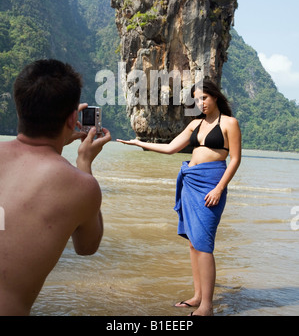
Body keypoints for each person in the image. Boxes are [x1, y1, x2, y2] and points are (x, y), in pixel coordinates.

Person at [117, 79, 241, 316]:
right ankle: (197, 296)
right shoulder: (195, 125)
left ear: (214, 96)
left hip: (211, 184)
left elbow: (234, 159)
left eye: (204, 97)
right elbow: (171, 148)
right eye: (196, 99)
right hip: (190, 183)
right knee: (194, 243)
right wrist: (138, 143)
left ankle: (207, 306)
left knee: (204, 244)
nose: (200, 103)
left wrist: (219, 188)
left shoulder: (229, 123)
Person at [0, 59, 111, 316]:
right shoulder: (81, 186)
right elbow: (87, 247)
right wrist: (84, 162)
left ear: (19, 109)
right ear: (74, 118)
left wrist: (62, 133)